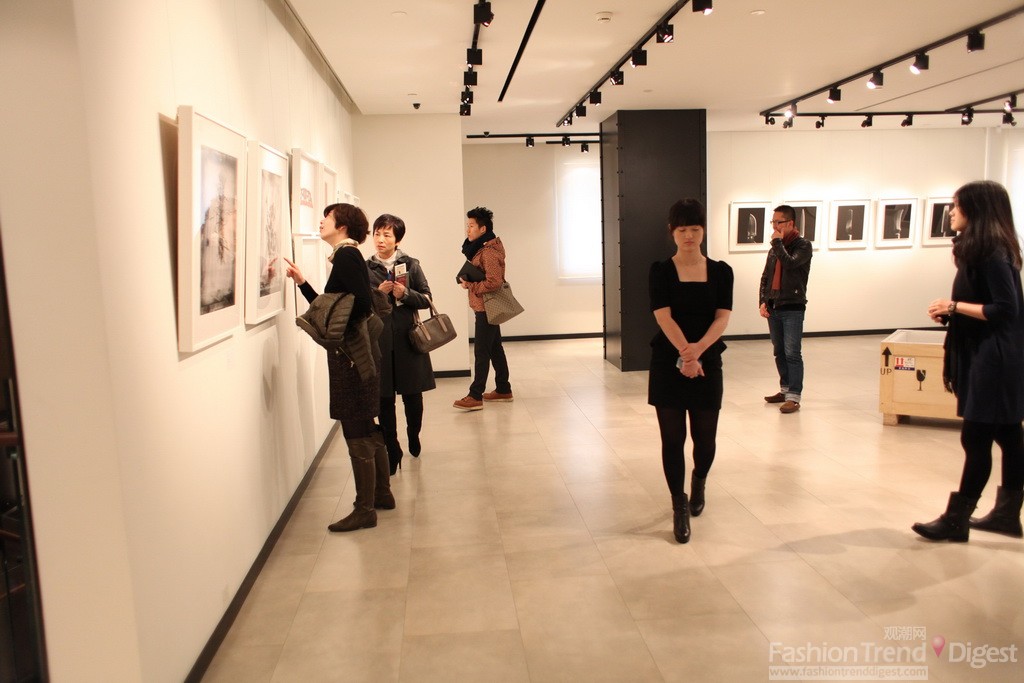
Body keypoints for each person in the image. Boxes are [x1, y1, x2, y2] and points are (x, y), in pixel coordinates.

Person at [913, 180, 1024, 542]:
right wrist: (953, 314)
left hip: (994, 360)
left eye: (955, 205)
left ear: (975, 209)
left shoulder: (992, 251)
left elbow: (1005, 309)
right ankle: (1007, 515)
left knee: (976, 438)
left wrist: (954, 306)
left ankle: (956, 519)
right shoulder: (986, 249)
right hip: (990, 353)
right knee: (1009, 435)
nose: (950, 211)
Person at [284, 203, 393, 532]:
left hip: (352, 358)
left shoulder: (346, 257)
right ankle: (382, 494)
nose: (321, 221)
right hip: (359, 354)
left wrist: (340, 335)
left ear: (341, 225)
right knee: (366, 423)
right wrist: (303, 283)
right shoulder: (350, 255)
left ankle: (364, 509)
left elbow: (358, 304)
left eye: (326, 217)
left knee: (355, 428)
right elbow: (340, 304)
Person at [648, 199, 733, 544]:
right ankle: (679, 504)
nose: (689, 235)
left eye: (695, 229)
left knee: (705, 438)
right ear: (672, 231)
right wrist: (685, 353)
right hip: (668, 362)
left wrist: (697, 352)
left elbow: (722, 316)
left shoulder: (721, 271)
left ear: (703, 231)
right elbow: (663, 315)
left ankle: (699, 480)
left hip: (707, 362)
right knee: (672, 440)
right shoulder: (661, 270)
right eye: (682, 229)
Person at [366, 214, 436, 473]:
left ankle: (413, 435)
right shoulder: (366, 268)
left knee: (412, 395)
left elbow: (427, 298)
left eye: (386, 235)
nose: (380, 240)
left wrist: (404, 294)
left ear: (398, 240)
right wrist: (379, 294)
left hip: (408, 339)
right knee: (384, 399)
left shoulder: (412, 264)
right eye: (377, 234)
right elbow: (360, 305)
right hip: (380, 340)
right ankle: (392, 448)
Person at [453, 206, 513, 411]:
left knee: (481, 351)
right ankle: (503, 389)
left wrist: (469, 284)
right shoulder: (481, 249)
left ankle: (475, 395)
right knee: (495, 348)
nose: (467, 230)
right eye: (467, 226)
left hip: (487, 308)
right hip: (485, 306)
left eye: (471, 226)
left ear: (482, 229)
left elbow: (494, 282)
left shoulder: (487, 252)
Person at [758, 204, 813, 414]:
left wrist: (777, 242)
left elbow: (790, 264)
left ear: (790, 223)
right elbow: (766, 277)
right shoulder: (775, 247)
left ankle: (794, 397)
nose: (774, 226)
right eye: (773, 222)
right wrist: (763, 301)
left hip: (793, 307)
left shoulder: (803, 246)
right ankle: (784, 389)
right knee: (778, 351)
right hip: (774, 306)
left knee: (792, 353)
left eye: (777, 222)